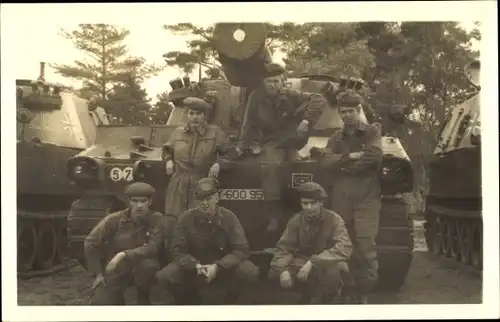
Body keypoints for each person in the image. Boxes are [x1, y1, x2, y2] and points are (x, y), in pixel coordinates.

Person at [239, 63, 328, 235]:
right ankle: (273, 213)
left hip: (293, 140)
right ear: (263, 83)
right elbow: (247, 124)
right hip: (272, 142)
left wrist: (306, 121)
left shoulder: (291, 95)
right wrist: (242, 147)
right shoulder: (256, 97)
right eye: (269, 82)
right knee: (270, 166)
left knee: (296, 168)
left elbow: (318, 99)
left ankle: (304, 212)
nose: (273, 85)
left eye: (276, 81)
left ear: (282, 81)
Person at [312, 90, 383, 304]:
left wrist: (344, 168)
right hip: (342, 194)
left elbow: (374, 155)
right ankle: (346, 286)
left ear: (358, 110)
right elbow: (325, 161)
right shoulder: (336, 137)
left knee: (365, 244)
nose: (347, 115)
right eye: (343, 111)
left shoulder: (372, 131)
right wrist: (349, 157)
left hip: (366, 194)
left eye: (351, 111)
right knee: (342, 241)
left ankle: (363, 291)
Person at [156, 177, 259, 305]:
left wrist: (218, 266)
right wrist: (195, 265)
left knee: (249, 272)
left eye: (208, 199)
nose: (204, 203)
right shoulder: (185, 218)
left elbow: (241, 249)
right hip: (194, 269)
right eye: (200, 199)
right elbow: (176, 250)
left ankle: (234, 306)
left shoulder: (229, 217)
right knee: (165, 277)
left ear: (217, 198)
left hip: (224, 268)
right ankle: (185, 305)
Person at [268, 181, 352, 304]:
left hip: (328, 262)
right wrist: (283, 270)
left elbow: (344, 247)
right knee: (275, 273)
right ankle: (308, 295)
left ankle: (328, 300)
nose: (308, 207)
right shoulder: (296, 220)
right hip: (302, 261)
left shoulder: (334, 219)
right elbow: (284, 248)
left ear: (321, 203)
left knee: (333, 273)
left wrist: (313, 262)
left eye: (313, 203)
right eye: (305, 203)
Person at [83, 182, 164, 305]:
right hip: (118, 268)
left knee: (148, 268)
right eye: (135, 201)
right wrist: (98, 273)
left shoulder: (156, 219)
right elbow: (91, 242)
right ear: (129, 201)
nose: (139, 205)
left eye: (143, 201)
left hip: (144, 267)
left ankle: (144, 299)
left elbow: (152, 247)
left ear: (150, 202)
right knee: (101, 303)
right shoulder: (114, 220)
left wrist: (122, 254)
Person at [162, 97, 239, 218]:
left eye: (198, 114)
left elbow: (231, 153)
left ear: (204, 116)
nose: (194, 117)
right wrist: (168, 161)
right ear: (186, 115)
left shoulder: (214, 132)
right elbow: (167, 149)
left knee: (199, 219)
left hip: (202, 182)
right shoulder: (178, 132)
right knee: (174, 218)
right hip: (178, 182)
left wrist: (219, 164)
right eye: (191, 113)